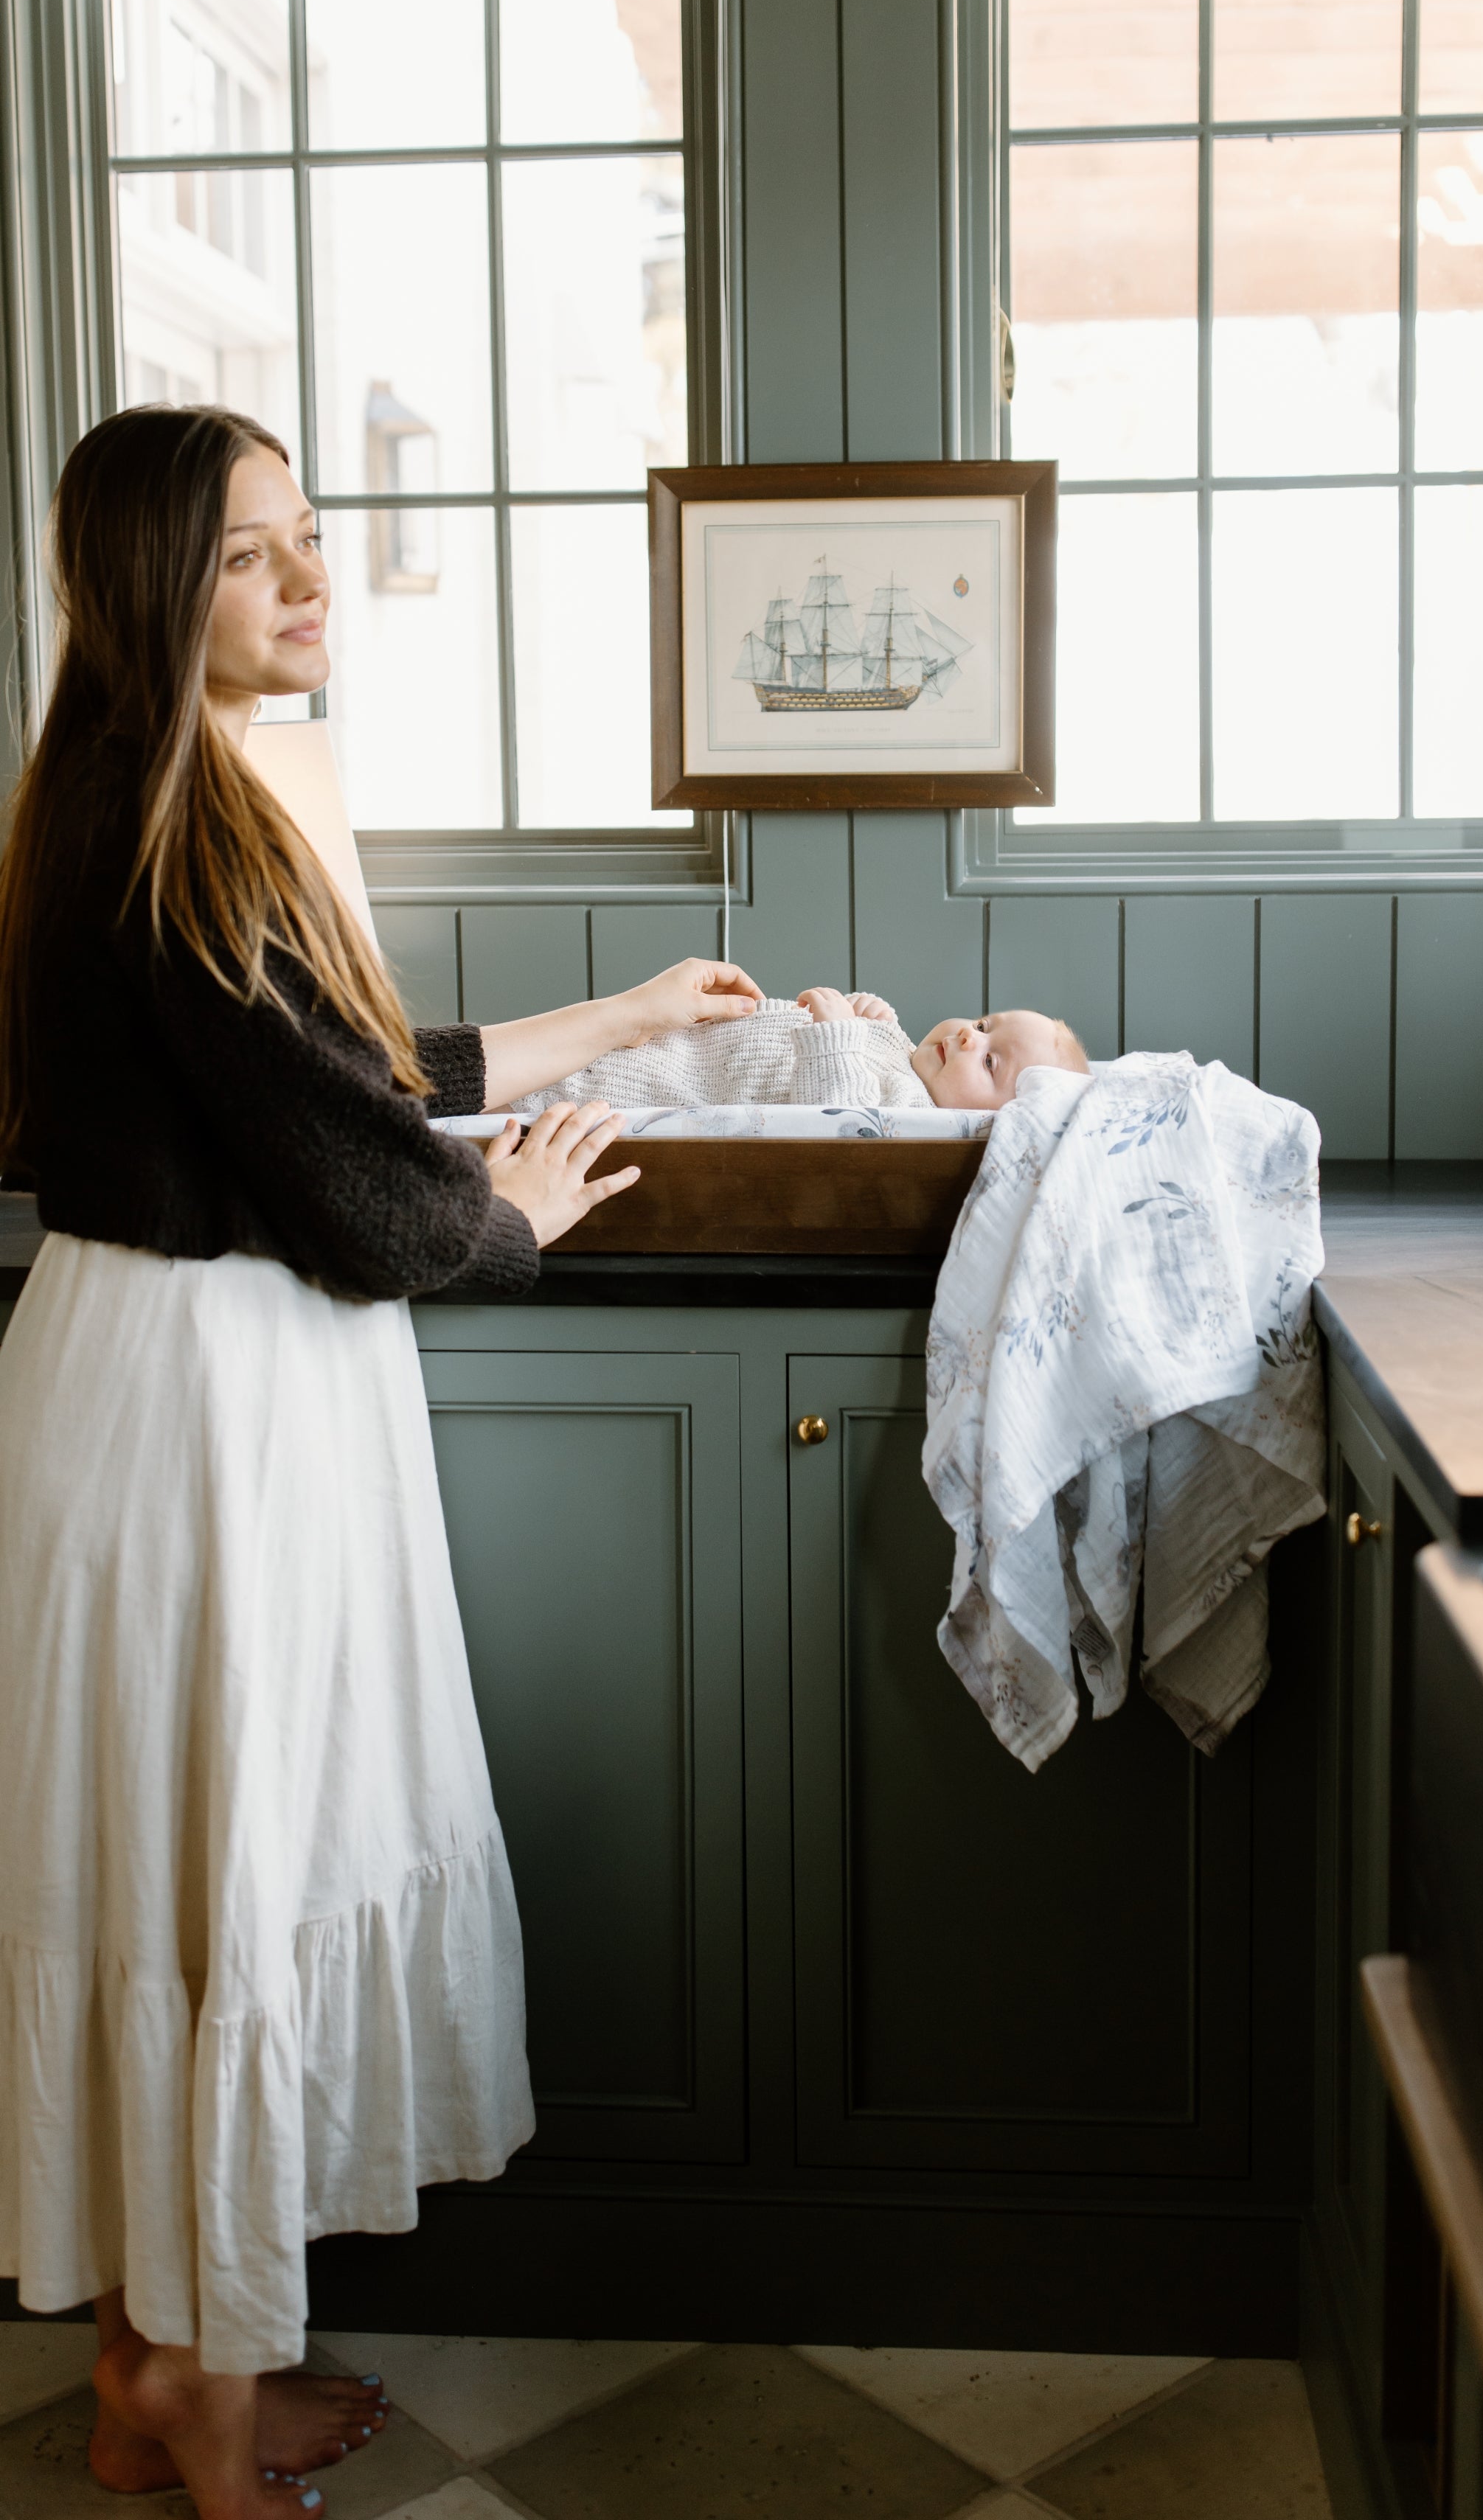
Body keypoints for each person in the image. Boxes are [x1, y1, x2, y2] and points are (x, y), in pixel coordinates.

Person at [0, 405, 763, 2520]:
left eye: (314, 538)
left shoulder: (147, 794)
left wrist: (612, 1020)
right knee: (229, 1861)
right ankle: (200, 2418)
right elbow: (368, 1193)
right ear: (163, 587)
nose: (314, 580)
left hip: (171, 1374)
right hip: (208, 1411)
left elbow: (334, 1072)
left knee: (182, 1859)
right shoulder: (186, 837)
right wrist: (509, 1211)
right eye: (260, 555)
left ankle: (159, 2363)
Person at [515, 992, 1091, 1115]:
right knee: (561, 1052)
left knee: (546, 1090)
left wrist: (839, 1034)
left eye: (990, 1062)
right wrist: (874, 1017)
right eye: (985, 1024)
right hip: (680, 1045)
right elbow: (874, 1051)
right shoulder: (909, 1057)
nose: (970, 1036)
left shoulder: (909, 1112)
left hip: (666, 1083)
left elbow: (837, 1116)